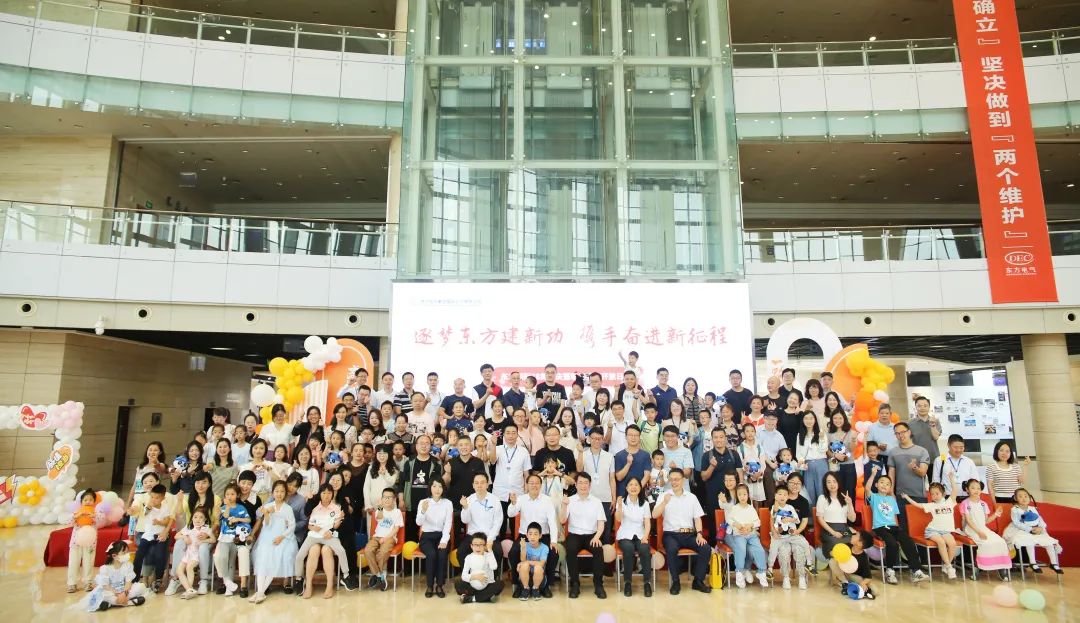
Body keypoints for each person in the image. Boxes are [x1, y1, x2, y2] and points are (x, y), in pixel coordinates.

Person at [653, 469, 711, 594]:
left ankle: (698, 581)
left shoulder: (691, 497)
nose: (674, 482)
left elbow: (697, 518)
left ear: (683, 480)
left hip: (689, 534)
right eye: (671, 479)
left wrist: (699, 534)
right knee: (672, 549)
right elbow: (654, 515)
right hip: (671, 535)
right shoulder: (664, 495)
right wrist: (664, 503)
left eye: (677, 479)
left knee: (705, 548)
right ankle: (675, 582)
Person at [866, 470, 928, 584]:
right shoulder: (874, 497)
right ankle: (889, 571)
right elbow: (867, 488)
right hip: (880, 528)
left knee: (908, 541)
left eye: (887, 484)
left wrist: (898, 529)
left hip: (893, 527)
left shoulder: (892, 499)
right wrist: (873, 474)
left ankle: (916, 571)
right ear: (876, 485)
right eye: (882, 482)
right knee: (892, 543)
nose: (884, 485)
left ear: (890, 488)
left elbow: (894, 516)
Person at [165, 472, 218, 596]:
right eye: (198, 482)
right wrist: (179, 500)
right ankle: (175, 578)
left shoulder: (215, 499)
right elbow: (179, 513)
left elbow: (216, 522)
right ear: (194, 484)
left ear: (209, 484)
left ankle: (203, 580)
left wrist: (207, 535)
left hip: (207, 534)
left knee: (203, 548)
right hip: (190, 532)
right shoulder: (188, 497)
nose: (200, 485)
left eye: (204, 482)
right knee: (179, 544)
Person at [506, 474, 560, 598]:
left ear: (541, 485)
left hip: (543, 536)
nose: (534, 485)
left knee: (554, 553)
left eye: (537, 483)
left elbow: (552, 522)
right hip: (525, 536)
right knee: (513, 553)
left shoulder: (547, 500)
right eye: (531, 483)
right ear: (527, 485)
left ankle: (546, 586)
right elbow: (511, 513)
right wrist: (513, 503)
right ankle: (519, 585)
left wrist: (554, 541)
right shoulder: (521, 499)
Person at [295, 483, 349, 599]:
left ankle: (346, 575)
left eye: (329, 493)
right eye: (323, 493)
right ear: (320, 494)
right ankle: (300, 579)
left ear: (332, 494)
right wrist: (318, 530)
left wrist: (336, 524)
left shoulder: (336, 508)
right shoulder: (315, 507)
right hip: (314, 536)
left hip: (330, 536)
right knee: (299, 555)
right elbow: (310, 525)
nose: (326, 495)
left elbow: (336, 525)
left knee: (341, 551)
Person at [902, 472, 960, 579]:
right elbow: (917, 505)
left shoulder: (949, 502)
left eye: (937, 493)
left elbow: (955, 490)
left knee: (952, 544)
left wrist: (951, 478)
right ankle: (949, 566)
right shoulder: (931, 505)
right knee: (941, 542)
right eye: (932, 494)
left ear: (943, 493)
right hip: (933, 530)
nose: (934, 496)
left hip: (946, 531)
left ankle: (946, 564)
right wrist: (907, 497)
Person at [560, 472, 607, 599]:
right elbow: (562, 520)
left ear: (590, 485)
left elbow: (601, 523)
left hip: (592, 535)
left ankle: (598, 585)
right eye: (580, 482)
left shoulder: (596, 502)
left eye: (586, 483)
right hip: (574, 534)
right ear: (575, 484)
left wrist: (597, 537)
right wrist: (564, 506)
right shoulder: (569, 500)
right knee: (570, 549)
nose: (583, 485)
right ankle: (575, 584)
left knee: (598, 550)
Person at [959, 479, 1010, 580]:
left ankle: (1001, 567)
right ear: (967, 490)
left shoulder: (983, 504)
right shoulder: (965, 503)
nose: (976, 490)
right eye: (973, 488)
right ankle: (978, 567)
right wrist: (979, 532)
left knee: (1000, 541)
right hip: (971, 529)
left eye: (978, 488)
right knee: (985, 543)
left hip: (983, 528)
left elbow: (986, 521)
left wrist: (996, 514)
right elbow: (968, 520)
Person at [719, 483, 769, 589]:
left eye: (744, 494)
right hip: (739, 535)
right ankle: (739, 572)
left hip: (751, 535)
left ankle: (762, 572)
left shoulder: (751, 508)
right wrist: (736, 524)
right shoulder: (734, 508)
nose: (742, 497)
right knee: (740, 550)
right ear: (737, 496)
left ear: (748, 495)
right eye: (740, 494)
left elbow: (758, 522)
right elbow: (729, 519)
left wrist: (750, 525)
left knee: (759, 550)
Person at [1004, 488, 1063, 574]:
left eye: (1026, 496)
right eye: (1020, 496)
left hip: (1036, 529)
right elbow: (1016, 522)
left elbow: (1040, 519)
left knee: (1048, 542)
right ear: (1016, 498)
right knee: (1029, 541)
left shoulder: (1033, 508)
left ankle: (1054, 563)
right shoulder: (1015, 509)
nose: (1023, 498)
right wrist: (1030, 529)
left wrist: (1041, 527)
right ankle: (1033, 562)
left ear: (1029, 498)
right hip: (1021, 530)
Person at [886, 421, 930, 531]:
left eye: (903, 432)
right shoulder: (893, 452)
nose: (900, 435)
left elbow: (923, 473)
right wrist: (891, 492)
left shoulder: (922, 451)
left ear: (909, 432)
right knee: (903, 527)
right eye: (897, 433)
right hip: (901, 495)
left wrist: (914, 467)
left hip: (918, 495)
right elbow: (891, 473)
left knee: (919, 528)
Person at [614, 477, 653, 597]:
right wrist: (619, 506)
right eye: (631, 485)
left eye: (636, 485)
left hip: (641, 534)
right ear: (626, 488)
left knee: (644, 549)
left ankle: (647, 583)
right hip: (625, 534)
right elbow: (618, 519)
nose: (633, 487)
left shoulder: (645, 504)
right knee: (629, 548)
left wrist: (645, 537)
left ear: (640, 488)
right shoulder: (622, 501)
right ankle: (628, 582)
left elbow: (647, 523)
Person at [458, 473, 503, 576]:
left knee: (497, 551)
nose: (479, 485)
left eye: (482, 483)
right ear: (473, 485)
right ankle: (470, 577)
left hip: (489, 536)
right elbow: (465, 520)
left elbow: (498, 522)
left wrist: (490, 539)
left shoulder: (495, 500)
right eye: (476, 483)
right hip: (473, 536)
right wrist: (465, 507)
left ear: (487, 484)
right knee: (461, 552)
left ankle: (491, 579)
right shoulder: (469, 499)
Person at [213, 483, 253, 597]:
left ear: (237, 495)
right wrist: (227, 506)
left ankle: (229, 588)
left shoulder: (241, 508)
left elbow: (248, 520)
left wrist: (238, 519)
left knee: (231, 562)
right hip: (224, 538)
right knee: (219, 557)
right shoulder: (223, 508)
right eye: (227, 494)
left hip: (238, 538)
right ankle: (227, 581)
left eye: (232, 494)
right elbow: (225, 516)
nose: (230, 496)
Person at [577, 427, 616, 540]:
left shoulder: (609, 456)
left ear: (603, 439)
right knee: (590, 528)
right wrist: (580, 453)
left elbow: (612, 478)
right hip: (589, 497)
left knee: (606, 530)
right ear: (589, 439)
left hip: (606, 497)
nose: (596, 441)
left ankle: (606, 549)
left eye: (599, 438)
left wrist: (613, 497)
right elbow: (579, 470)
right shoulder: (583, 454)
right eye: (593, 438)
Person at [416, 479, 453, 597]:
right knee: (431, 554)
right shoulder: (423, 502)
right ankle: (430, 585)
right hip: (427, 537)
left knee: (442, 554)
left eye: (440, 486)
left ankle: (440, 585)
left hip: (442, 535)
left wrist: (444, 540)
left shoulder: (448, 503)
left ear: (443, 489)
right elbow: (418, 522)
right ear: (430, 488)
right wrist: (423, 511)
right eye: (434, 486)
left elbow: (448, 524)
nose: (437, 489)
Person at [85, 541, 147, 612]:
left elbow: (128, 582)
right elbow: (105, 586)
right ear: (114, 555)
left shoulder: (128, 565)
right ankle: (129, 602)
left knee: (141, 587)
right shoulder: (105, 568)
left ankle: (111, 604)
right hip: (111, 591)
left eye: (127, 552)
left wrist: (124, 594)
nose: (127, 555)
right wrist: (117, 594)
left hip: (124, 589)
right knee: (102, 594)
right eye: (124, 553)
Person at [767, 487, 809, 590]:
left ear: (788, 497)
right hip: (780, 536)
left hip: (792, 535)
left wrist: (790, 520)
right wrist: (774, 532)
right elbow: (773, 517)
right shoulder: (774, 508)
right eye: (779, 494)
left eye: (785, 494)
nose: (782, 496)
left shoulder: (791, 507)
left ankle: (805, 571)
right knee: (779, 550)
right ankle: (779, 574)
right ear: (775, 496)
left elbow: (797, 520)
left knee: (802, 546)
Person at [132, 483, 172, 590]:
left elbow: (167, 521)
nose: (154, 499)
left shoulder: (165, 507)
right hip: (148, 535)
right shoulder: (148, 506)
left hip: (160, 535)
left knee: (160, 555)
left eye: (157, 498)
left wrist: (159, 522)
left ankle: (158, 579)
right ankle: (135, 578)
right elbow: (145, 513)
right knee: (139, 555)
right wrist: (148, 507)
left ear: (163, 498)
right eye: (152, 497)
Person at [403, 434, 443, 541]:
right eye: (421, 443)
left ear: (431, 446)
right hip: (411, 503)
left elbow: (440, 484)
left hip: (430, 504)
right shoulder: (408, 461)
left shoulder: (436, 463)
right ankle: (411, 551)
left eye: (427, 443)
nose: (424, 446)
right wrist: (401, 499)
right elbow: (403, 482)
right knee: (411, 534)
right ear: (416, 446)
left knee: (428, 534)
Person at [365, 487, 404, 591]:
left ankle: (378, 575)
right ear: (381, 499)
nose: (387, 499)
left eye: (389, 497)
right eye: (385, 497)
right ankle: (379, 575)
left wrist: (386, 538)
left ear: (394, 499)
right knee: (368, 550)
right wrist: (380, 507)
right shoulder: (379, 510)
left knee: (382, 552)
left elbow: (396, 529)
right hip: (376, 537)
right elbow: (379, 517)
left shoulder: (397, 512)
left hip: (390, 538)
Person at [173, 506, 213, 599]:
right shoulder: (189, 527)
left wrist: (203, 541)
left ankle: (189, 589)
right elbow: (176, 536)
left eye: (201, 517)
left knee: (189, 567)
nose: (198, 519)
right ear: (192, 518)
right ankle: (189, 589)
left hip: (196, 554)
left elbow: (213, 539)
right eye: (195, 517)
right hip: (188, 553)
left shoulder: (206, 528)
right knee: (179, 570)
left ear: (205, 519)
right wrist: (185, 537)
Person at [815, 472, 855, 564]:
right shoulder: (822, 498)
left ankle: (846, 572)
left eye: (834, 481)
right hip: (829, 530)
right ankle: (840, 572)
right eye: (828, 482)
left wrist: (850, 504)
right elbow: (820, 518)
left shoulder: (845, 499)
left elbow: (852, 519)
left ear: (838, 483)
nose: (832, 484)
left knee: (853, 545)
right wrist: (833, 532)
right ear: (825, 484)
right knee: (837, 546)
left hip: (844, 529)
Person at [68, 488, 101, 593]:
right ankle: (72, 583)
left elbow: (100, 521)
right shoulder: (76, 512)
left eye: (90, 500)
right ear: (81, 502)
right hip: (76, 542)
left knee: (88, 562)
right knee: (73, 562)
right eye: (85, 500)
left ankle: (88, 582)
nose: (88, 502)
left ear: (94, 502)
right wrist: (76, 516)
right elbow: (69, 522)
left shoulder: (96, 513)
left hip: (90, 542)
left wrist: (94, 517)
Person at [456, 532, 504, 603]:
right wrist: (475, 577)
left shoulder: (488, 555)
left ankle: (472, 598)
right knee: (458, 584)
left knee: (500, 584)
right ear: (471, 546)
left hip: (487, 585)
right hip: (473, 585)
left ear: (485, 546)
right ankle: (486, 597)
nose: (478, 547)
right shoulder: (468, 557)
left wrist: (490, 550)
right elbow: (464, 576)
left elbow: (494, 567)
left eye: (481, 545)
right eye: (475, 545)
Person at [828, 531, 876, 600]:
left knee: (874, 590)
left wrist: (863, 583)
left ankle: (858, 590)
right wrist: (835, 553)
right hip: (843, 574)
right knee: (832, 561)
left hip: (854, 576)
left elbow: (868, 577)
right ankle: (845, 584)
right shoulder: (847, 546)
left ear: (860, 543)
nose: (852, 536)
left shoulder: (863, 557)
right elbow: (831, 553)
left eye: (856, 535)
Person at [931, 434, 978, 500]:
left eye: (961, 447)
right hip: (947, 497)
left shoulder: (969, 461)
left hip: (967, 498)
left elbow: (975, 480)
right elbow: (935, 481)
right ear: (948, 445)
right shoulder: (939, 460)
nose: (958, 450)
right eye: (955, 447)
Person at [825, 404, 857, 503]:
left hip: (848, 466)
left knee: (849, 491)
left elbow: (852, 450)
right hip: (834, 466)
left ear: (844, 419)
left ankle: (850, 512)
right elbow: (826, 450)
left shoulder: (851, 432)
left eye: (840, 418)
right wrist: (835, 455)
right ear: (831, 420)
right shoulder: (828, 433)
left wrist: (853, 440)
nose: (837, 420)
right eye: (835, 418)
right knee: (836, 492)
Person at [795, 411, 828, 506]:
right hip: (807, 465)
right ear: (802, 420)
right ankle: (810, 513)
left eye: (811, 418)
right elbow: (799, 454)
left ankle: (823, 512)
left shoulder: (821, 433)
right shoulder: (800, 435)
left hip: (821, 463)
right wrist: (801, 464)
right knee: (809, 491)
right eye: (806, 418)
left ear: (815, 420)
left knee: (822, 489)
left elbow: (824, 449)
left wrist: (821, 438)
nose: (809, 421)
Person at [516, 522, 550, 601]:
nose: (532, 537)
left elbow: (541, 563)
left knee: (538, 567)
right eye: (530, 534)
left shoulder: (544, 547)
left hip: (540, 580)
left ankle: (536, 589)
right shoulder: (525, 545)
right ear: (527, 535)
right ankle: (525, 589)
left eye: (535, 534)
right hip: (525, 579)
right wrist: (523, 548)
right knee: (524, 565)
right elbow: (523, 560)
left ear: (540, 536)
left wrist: (526, 562)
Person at [363, 444, 401, 512]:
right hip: (373, 503)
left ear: (389, 454)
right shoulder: (371, 468)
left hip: (389, 503)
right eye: (379, 453)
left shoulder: (394, 469)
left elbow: (391, 483)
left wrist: (385, 474)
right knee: (374, 519)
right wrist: (368, 504)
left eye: (384, 453)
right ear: (376, 454)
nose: (382, 456)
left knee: (388, 518)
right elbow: (366, 486)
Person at [737, 424, 767, 504]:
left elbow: (763, 462)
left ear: (755, 433)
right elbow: (740, 463)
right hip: (747, 477)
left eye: (752, 431)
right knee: (748, 498)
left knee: (757, 500)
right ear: (743, 434)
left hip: (758, 476)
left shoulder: (759, 447)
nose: (750, 433)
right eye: (747, 431)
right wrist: (745, 469)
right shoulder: (740, 448)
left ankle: (757, 512)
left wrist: (760, 473)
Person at [907, 395, 942, 460]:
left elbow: (936, 437)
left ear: (929, 407)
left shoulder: (935, 421)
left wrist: (932, 424)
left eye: (925, 406)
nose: (922, 408)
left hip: (933, 457)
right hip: (917, 458)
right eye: (919, 406)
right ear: (915, 407)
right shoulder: (910, 423)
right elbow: (908, 442)